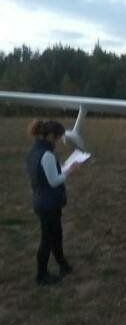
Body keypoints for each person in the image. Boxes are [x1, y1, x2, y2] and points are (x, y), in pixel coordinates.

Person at [26, 119, 80, 285]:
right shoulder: (47, 154)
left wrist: (61, 168)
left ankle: (63, 265)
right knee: (47, 240)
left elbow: (44, 174)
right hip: (48, 203)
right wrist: (70, 170)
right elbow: (54, 181)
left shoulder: (34, 151)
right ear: (50, 136)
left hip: (42, 200)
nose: (58, 142)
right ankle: (41, 275)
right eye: (57, 138)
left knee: (56, 235)